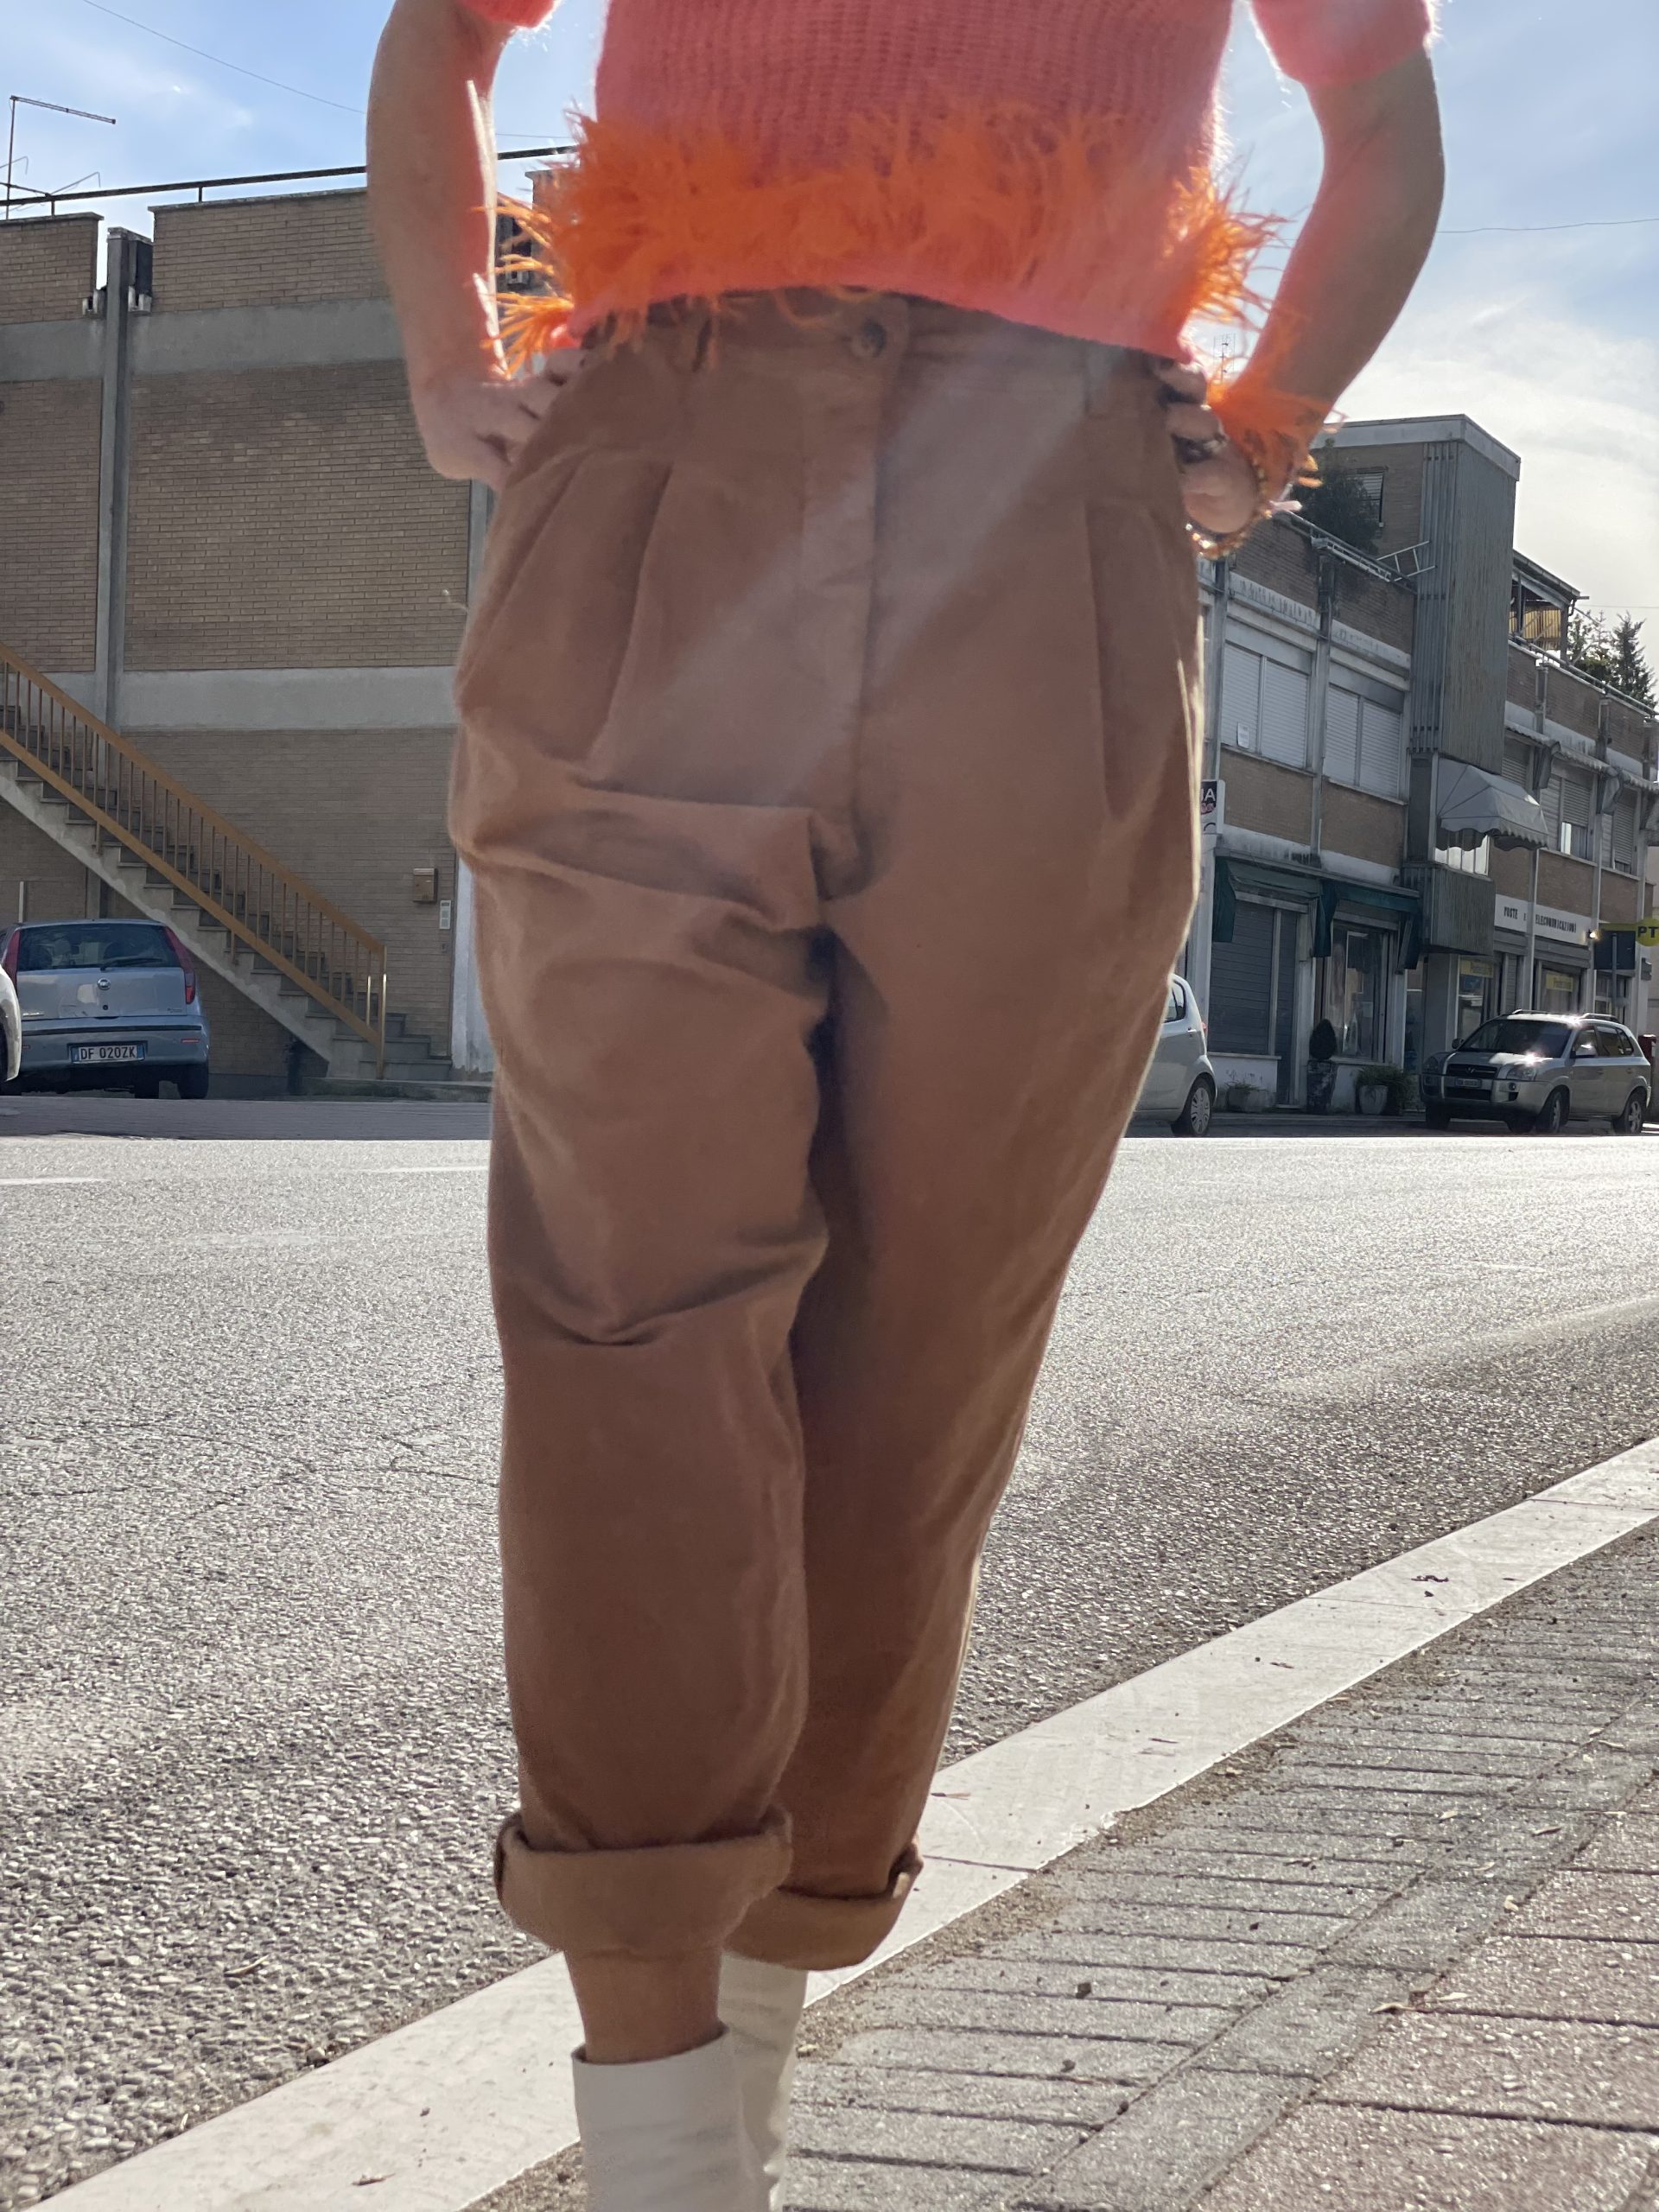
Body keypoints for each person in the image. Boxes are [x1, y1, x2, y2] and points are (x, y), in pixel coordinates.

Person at [367, 3, 1444, 2204]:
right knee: (629, 1316)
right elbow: (445, 25)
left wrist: (1267, 427)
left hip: (1045, 513)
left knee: (924, 1337)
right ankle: (664, 2145)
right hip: (671, 464)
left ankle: (736, 2074)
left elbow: (1382, 124)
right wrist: (448, 350)